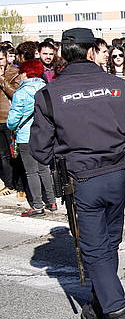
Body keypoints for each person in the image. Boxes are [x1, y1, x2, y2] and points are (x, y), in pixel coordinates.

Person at [30, 27, 125, 319]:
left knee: (96, 252)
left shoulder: (50, 94)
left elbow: (40, 149)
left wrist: (68, 156)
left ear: (63, 54)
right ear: (93, 51)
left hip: (84, 179)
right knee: (107, 247)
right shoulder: (120, 86)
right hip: (117, 175)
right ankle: (98, 305)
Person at [7, 59, 55, 217]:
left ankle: (37, 205)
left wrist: (12, 127)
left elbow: (13, 120)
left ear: (25, 73)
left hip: (25, 136)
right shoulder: (47, 89)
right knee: (44, 168)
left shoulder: (21, 93)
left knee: (31, 172)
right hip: (43, 135)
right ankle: (52, 201)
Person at [0, 47, 21, 195]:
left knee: (15, 154)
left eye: (0, 58)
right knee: (2, 154)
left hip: (9, 118)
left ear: (6, 58)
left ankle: (20, 185)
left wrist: (2, 79)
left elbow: (16, 95)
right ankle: (9, 184)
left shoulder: (14, 73)